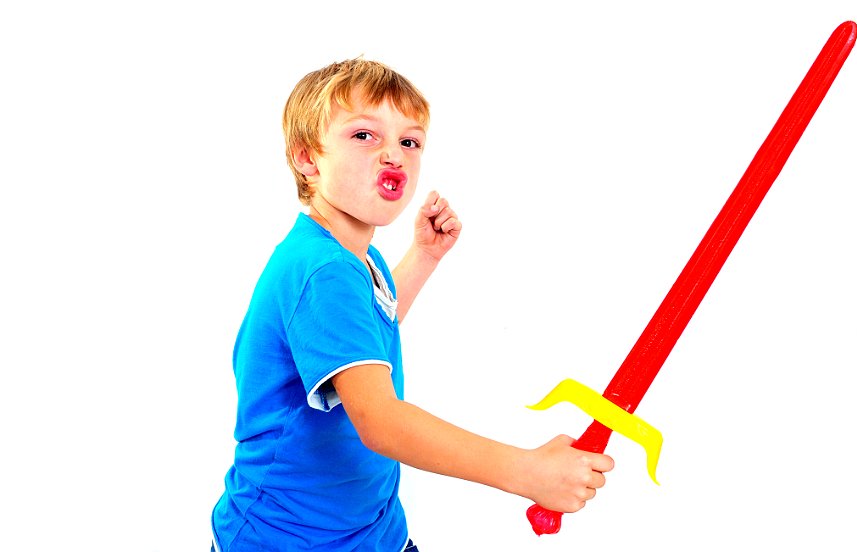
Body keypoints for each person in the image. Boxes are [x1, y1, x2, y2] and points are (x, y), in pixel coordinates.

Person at [210, 58, 614, 551]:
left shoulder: (354, 256)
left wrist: (422, 257)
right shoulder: (325, 272)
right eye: (365, 136)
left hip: (372, 533)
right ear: (308, 159)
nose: (393, 156)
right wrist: (527, 472)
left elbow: (362, 333)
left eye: (410, 141)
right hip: (292, 541)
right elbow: (380, 420)